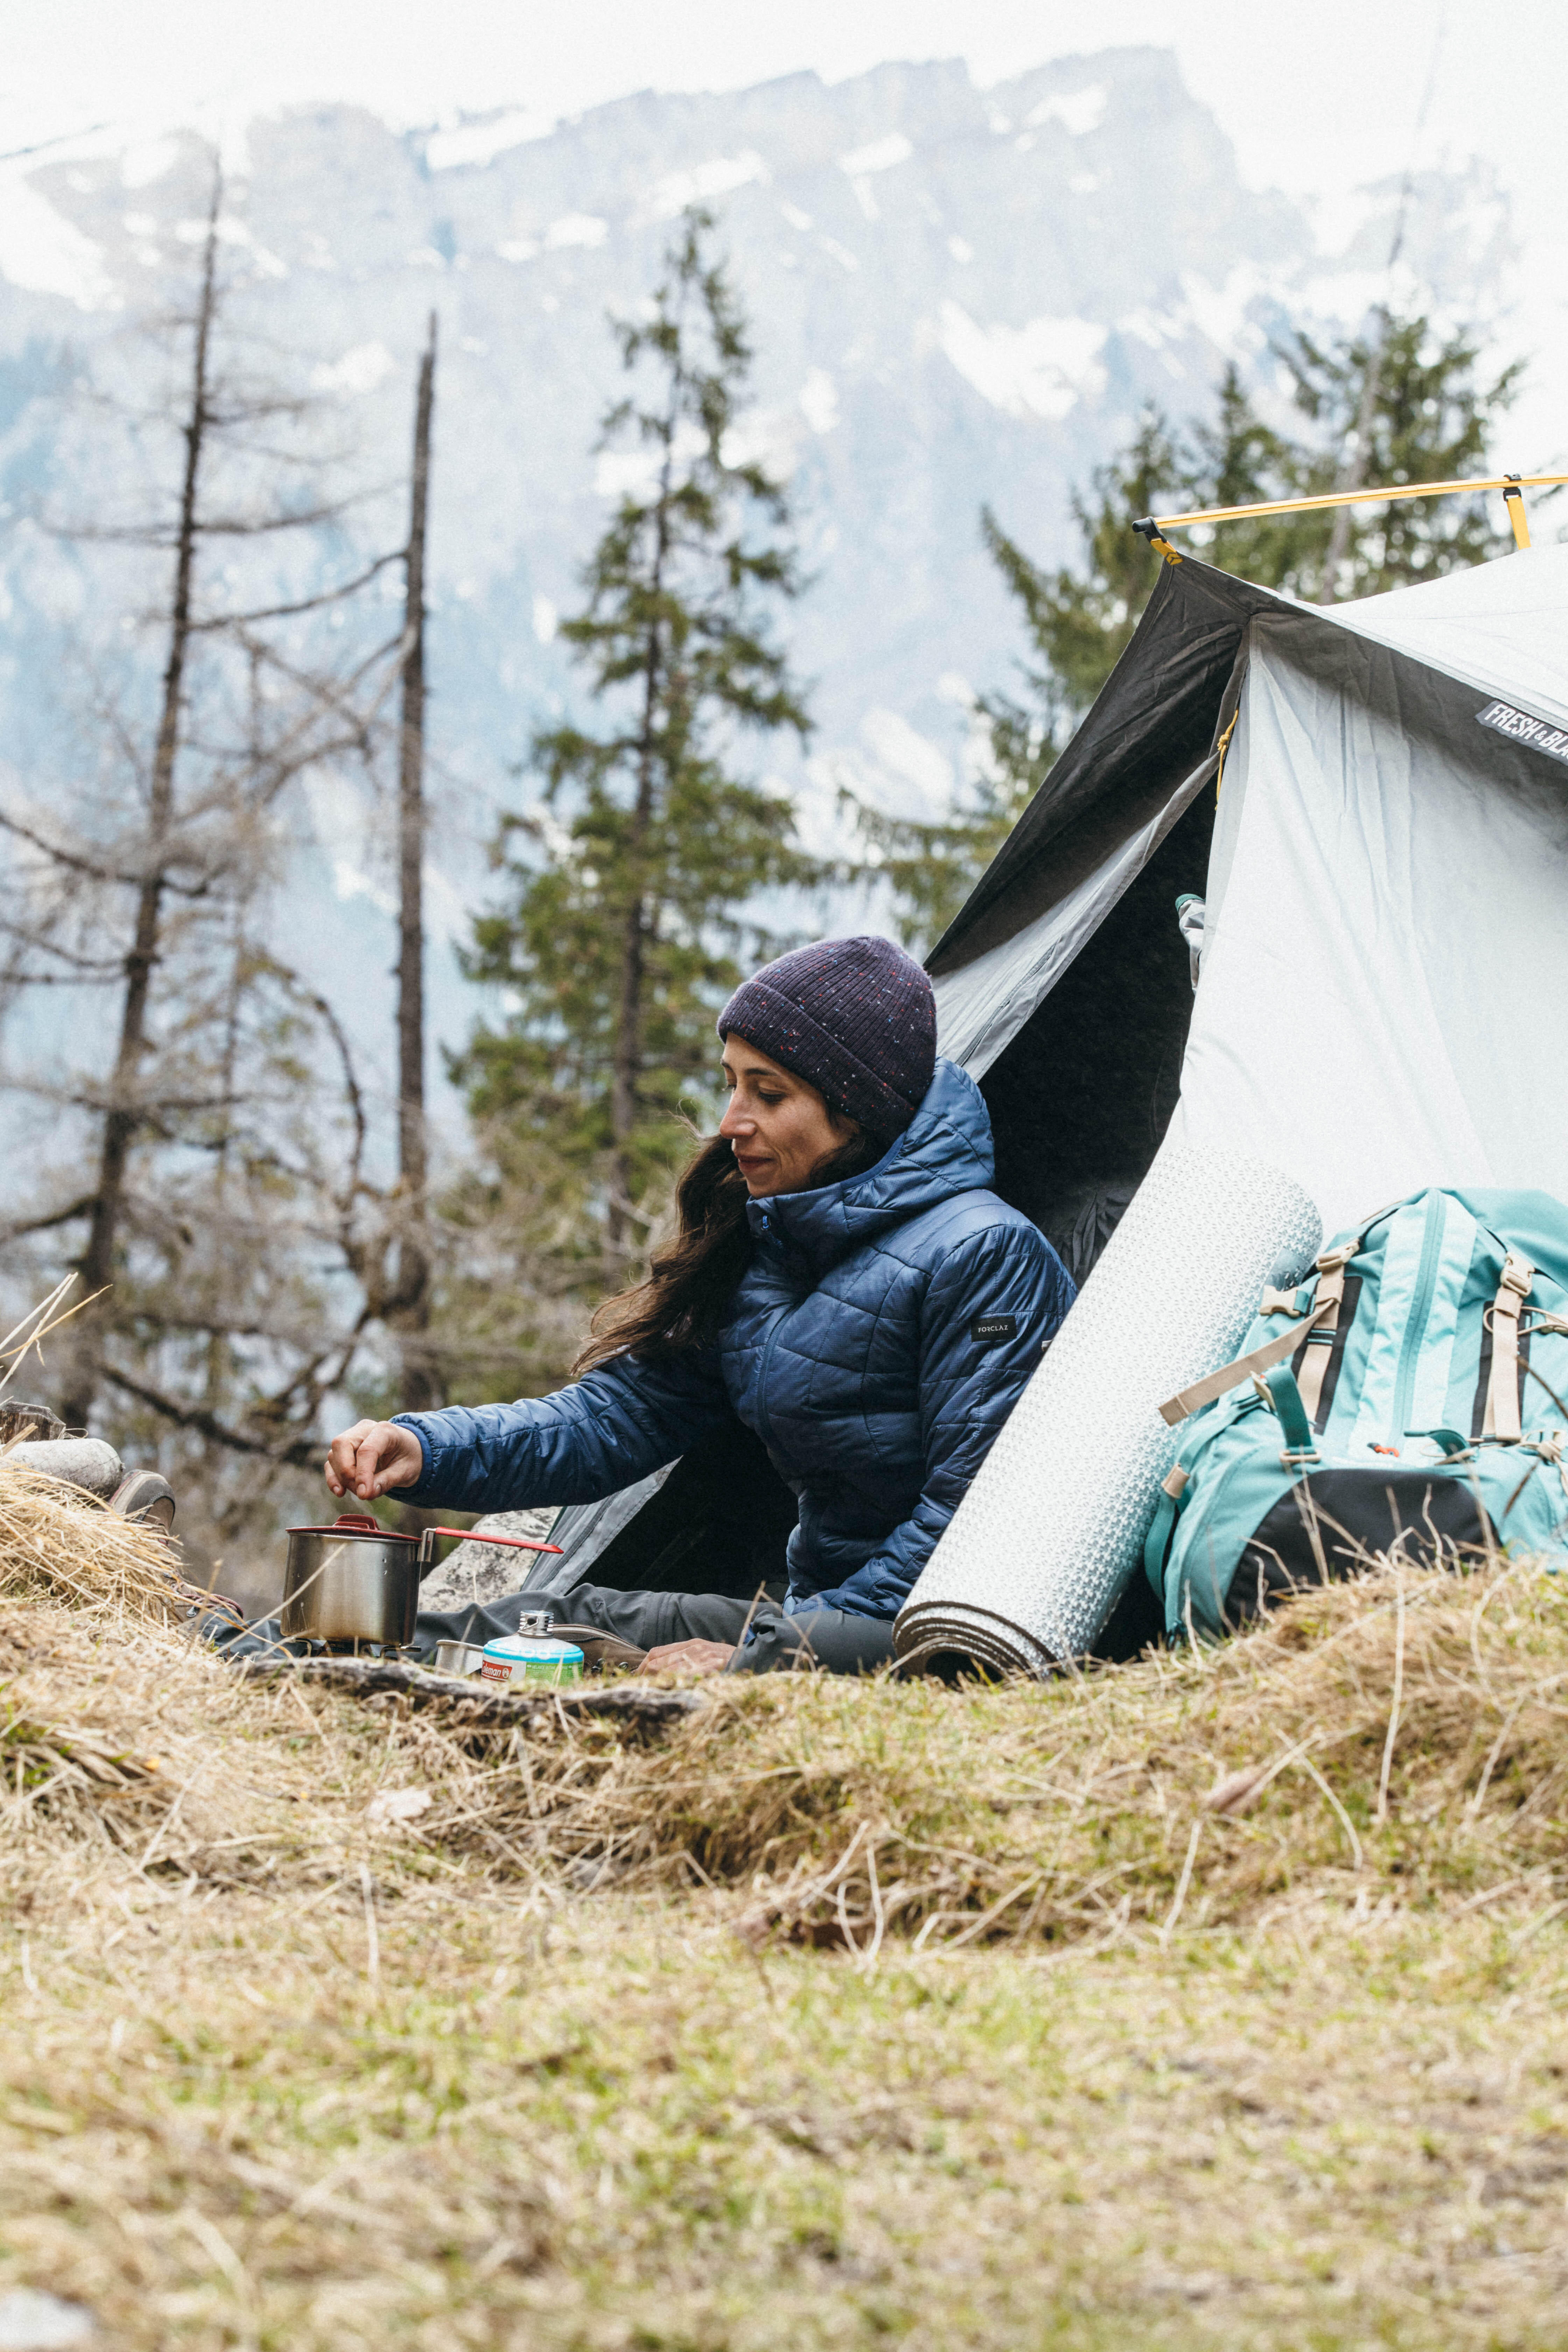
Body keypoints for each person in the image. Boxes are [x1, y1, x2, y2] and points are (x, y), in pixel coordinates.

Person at [325, 936, 1074, 1674]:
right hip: (812, 1620)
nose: (729, 1121)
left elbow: (966, 1525)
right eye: (731, 1083)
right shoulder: (777, 1246)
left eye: (767, 1093)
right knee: (540, 1622)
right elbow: (611, 1420)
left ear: (856, 1112)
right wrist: (427, 1450)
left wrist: (762, 1662)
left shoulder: (983, 1256)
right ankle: (251, 1659)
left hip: (924, 1637)